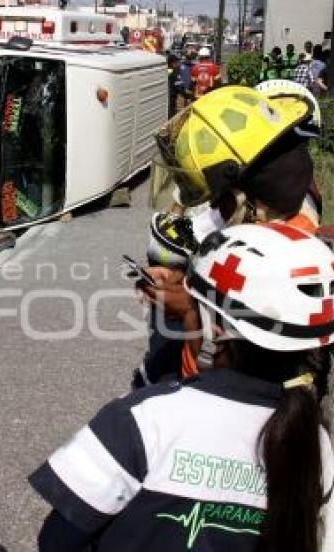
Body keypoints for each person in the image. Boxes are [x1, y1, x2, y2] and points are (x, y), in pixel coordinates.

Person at [32, 222, 334, 552]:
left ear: (215, 327)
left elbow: (58, 545)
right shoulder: (316, 445)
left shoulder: (142, 419)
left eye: (194, 307)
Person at [133, 84, 323, 385]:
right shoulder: (282, 208)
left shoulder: (284, 250)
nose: (211, 207)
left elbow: (230, 372)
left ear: (240, 196)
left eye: (216, 199)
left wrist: (192, 309)